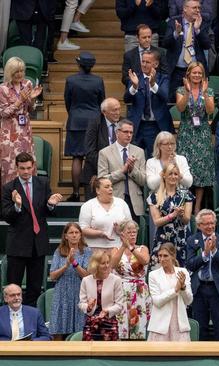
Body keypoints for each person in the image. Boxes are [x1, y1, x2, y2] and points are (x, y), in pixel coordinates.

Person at [1, 152, 62, 307]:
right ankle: (12, 320)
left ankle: (31, 318)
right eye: (22, 168)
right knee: (13, 287)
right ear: (17, 168)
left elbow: (49, 212)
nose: (26, 172)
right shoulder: (9, 188)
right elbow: (6, 216)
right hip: (18, 244)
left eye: (28, 168)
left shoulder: (42, 183)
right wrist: (17, 206)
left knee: (35, 287)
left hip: (38, 243)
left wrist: (51, 204)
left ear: (33, 167)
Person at [185, 209, 219, 341]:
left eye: (212, 223)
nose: (210, 226)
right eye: (206, 224)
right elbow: (190, 264)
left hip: (218, 289)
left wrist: (215, 251)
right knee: (200, 327)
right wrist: (205, 254)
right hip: (199, 289)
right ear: (199, 226)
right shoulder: (191, 241)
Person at [64, 51, 106, 202]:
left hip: (76, 121)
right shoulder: (98, 81)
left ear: (78, 64)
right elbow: (102, 102)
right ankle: (95, 193)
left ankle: (75, 193)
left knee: (77, 157)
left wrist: (75, 113)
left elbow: (67, 101)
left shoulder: (70, 80)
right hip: (94, 121)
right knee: (95, 157)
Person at [175, 62, 215, 214]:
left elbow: (210, 111)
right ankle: (185, 205)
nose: (197, 75)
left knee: (201, 171)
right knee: (185, 168)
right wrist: (187, 92)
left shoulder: (209, 90)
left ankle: (197, 207)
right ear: (188, 74)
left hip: (202, 133)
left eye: (200, 73)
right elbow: (180, 108)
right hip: (186, 132)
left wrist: (204, 93)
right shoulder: (180, 89)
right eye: (194, 73)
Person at [0, 57, 42, 189]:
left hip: (24, 131)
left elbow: (30, 109)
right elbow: (4, 113)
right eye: (16, 71)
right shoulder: (3, 89)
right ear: (9, 72)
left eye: (22, 71)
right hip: (9, 132)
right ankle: (7, 201)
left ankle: (28, 198)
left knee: (26, 164)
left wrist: (32, 99)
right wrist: (20, 100)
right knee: (9, 166)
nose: (20, 74)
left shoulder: (28, 84)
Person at [125, 50, 174, 159]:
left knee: (155, 159)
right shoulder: (135, 77)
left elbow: (165, 97)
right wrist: (134, 87)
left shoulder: (163, 78)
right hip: (138, 125)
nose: (144, 64)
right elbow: (126, 99)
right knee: (134, 158)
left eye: (148, 62)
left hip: (156, 126)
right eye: (143, 61)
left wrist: (153, 84)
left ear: (155, 64)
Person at [48, 223, 91, 340]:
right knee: (58, 329)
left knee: (79, 328)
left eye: (76, 233)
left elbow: (87, 275)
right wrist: (66, 265)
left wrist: (74, 263)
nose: (74, 235)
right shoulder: (59, 251)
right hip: (62, 293)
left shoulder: (86, 251)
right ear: (65, 236)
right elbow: (52, 276)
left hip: (79, 292)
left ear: (80, 235)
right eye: (71, 233)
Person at [110, 219, 152, 340]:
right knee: (121, 323)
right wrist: (124, 246)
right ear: (122, 234)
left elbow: (144, 261)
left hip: (139, 290)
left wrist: (131, 248)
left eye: (134, 232)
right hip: (121, 290)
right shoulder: (116, 250)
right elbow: (112, 264)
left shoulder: (142, 248)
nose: (133, 234)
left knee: (138, 325)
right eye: (129, 232)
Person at [162, 0, 211, 102]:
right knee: (172, 100)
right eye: (194, 8)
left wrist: (197, 30)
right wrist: (176, 33)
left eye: (199, 8)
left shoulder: (203, 22)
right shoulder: (174, 22)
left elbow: (207, 45)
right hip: (177, 70)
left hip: (195, 72)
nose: (197, 10)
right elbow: (165, 43)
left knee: (196, 101)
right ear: (185, 8)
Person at [147, 162, 194, 268]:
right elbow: (157, 222)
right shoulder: (155, 196)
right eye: (170, 174)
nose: (173, 176)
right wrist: (173, 215)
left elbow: (187, 220)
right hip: (163, 238)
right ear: (164, 175)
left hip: (181, 237)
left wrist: (180, 215)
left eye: (176, 174)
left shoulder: (185, 194)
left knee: (182, 271)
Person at [98, 119, 147, 220]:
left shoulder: (139, 152)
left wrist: (132, 170)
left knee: (133, 234)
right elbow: (101, 181)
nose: (129, 135)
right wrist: (122, 171)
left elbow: (143, 181)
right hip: (114, 200)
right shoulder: (105, 153)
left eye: (131, 132)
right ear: (117, 133)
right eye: (125, 132)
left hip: (135, 203)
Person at [147, 243, 193, 341]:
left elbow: (189, 300)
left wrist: (183, 287)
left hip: (180, 325)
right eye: (160, 256)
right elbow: (157, 302)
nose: (162, 259)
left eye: (165, 256)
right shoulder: (153, 275)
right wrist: (175, 290)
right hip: (160, 326)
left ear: (173, 256)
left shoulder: (183, 272)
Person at [82, 98, 122, 200]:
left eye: (119, 109)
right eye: (114, 110)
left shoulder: (124, 123)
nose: (117, 113)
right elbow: (90, 151)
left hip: (120, 172)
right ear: (104, 112)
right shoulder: (94, 124)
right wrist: (105, 168)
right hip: (96, 170)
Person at [79, 251, 124, 341]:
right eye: (103, 263)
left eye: (108, 262)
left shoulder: (116, 280)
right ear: (95, 265)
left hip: (109, 322)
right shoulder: (86, 280)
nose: (107, 265)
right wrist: (88, 307)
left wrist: (107, 311)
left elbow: (119, 305)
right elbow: (81, 303)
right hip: (91, 323)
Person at [78, 177, 132, 251]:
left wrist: (120, 230)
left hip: (118, 248)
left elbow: (130, 226)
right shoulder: (88, 205)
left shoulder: (122, 203)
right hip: (94, 249)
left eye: (111, 186)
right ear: (98, 190)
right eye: (107, 187)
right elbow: (83, 229)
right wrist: (100, 233)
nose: (111, 189)